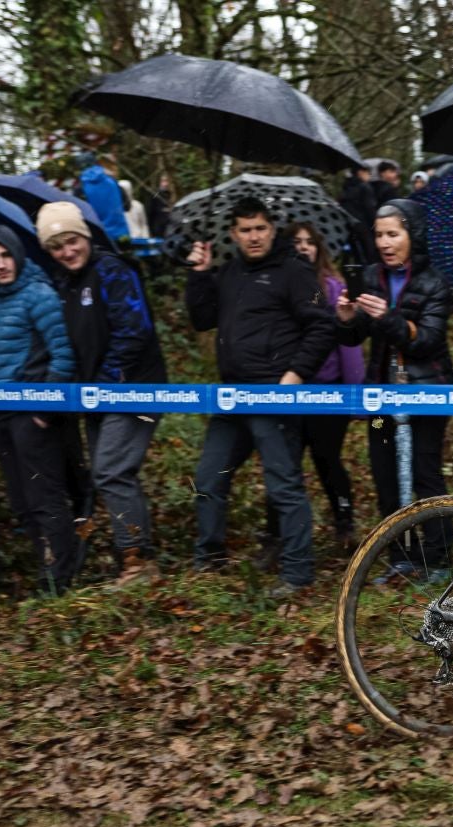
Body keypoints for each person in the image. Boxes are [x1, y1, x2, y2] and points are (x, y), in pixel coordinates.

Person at [184, 197, 335, 596]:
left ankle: (298, 573)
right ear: (233, 234)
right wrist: (199, 274)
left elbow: (323, 325)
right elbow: (202, 318)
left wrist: (295, 374)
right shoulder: (230, 271)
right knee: (207, 478)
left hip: (275, 394)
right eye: (245, 230)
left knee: (283, 486)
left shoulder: (295, 272)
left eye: (260, 228)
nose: (253, 237)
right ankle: (209, 560)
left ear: (272, 229)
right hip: (232, 397)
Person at [36, 201, 168, 587]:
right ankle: (130, 552)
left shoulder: (113, 271)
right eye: (57, 246)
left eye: (72, 240)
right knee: (108, 472)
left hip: (133, 388)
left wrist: (106, 379)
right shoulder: (62, 283)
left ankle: (138, 561)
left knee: (110, 470)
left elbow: (134, 329)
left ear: (85, 237)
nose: (67, 251)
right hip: (94, 393)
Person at [335, 199, 453, 577]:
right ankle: (400, 556)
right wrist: (346, 320)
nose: (385, 243)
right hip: (380, 396)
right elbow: (355, 337)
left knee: (425, 471)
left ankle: (438, 557)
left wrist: (387, 317)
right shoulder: (370, 276)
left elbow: (427, 341)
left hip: (427, 392)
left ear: (412, 234)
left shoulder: (434, 282)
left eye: (393, 234)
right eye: (379, 235)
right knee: (384, 472)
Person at [0, 226, 79, 595]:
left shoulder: (39, 295)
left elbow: (64, 354)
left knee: (44, 497)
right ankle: (47, 564)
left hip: (32, 412)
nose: (0, 265)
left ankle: (60, 574)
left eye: (5, 256)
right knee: (21, 502)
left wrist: (44, 409)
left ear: (18, 255)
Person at [279, 221, 365, 551]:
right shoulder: (283, 284)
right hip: (289, 388)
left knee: (326, 459)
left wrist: (354, 391)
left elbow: (348, 344)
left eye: (309, 241)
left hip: (328, 391)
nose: (303, 247)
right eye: (296, 241)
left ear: (318, 247)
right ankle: (282, 531)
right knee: (287, 462)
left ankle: (344, 521)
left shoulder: (328, 287)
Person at [74, 152, 129, 242]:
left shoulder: (80, 188)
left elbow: (78, 215)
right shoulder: (112, 181)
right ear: (95, 163)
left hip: (99, 238)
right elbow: (127, 206)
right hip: (122, 236)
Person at [145, 174, 173, 238]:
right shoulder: (155, 195)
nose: (165, 184)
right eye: (163, 181)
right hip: (157, 228)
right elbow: (150, 212)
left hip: (168, 229)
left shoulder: (169, 195)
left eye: (167, 181)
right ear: (160, 182)